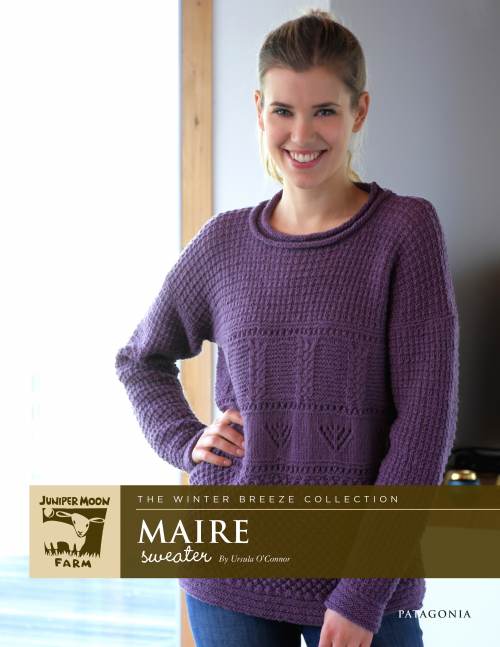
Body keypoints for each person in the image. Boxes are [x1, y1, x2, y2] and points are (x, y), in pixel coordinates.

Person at [115, 8, 459, 647]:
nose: (302, 134)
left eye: (324, 110)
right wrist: (185, 440)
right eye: (283, 110)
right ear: (259, 110)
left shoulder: (405, 231)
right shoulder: (223, 242)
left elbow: (424, 428)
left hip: (366, 582)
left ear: (359, 111)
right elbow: (140, 359)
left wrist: (361, 593)